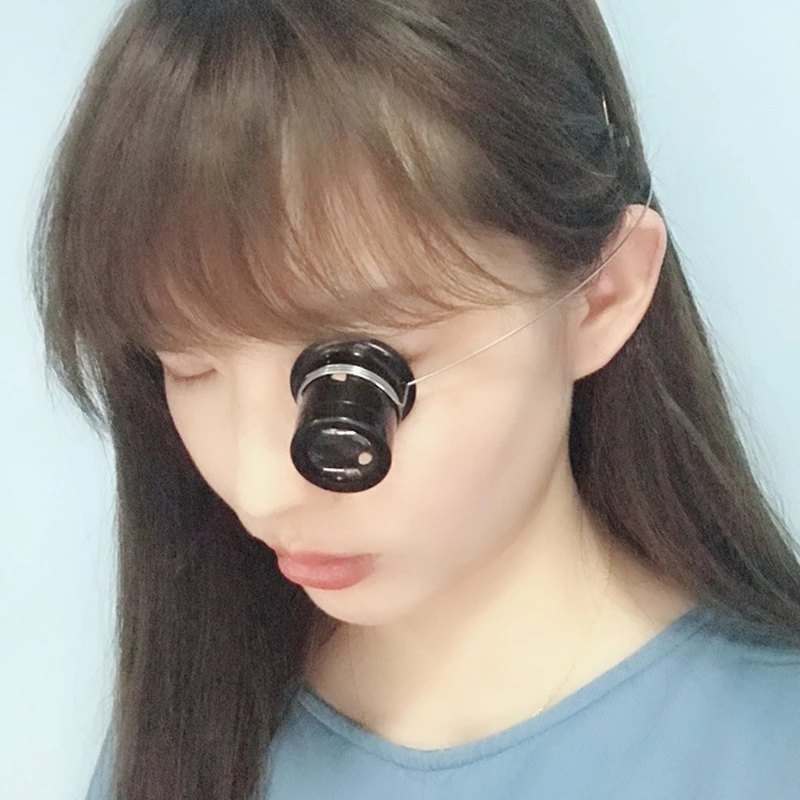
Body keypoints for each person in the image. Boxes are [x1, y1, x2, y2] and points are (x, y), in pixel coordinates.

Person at [32, 0, 800, 798]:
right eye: (189, 368)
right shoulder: (187, 739)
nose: (259, 493)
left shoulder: (769, 750)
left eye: (348, 388)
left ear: (600, 294)